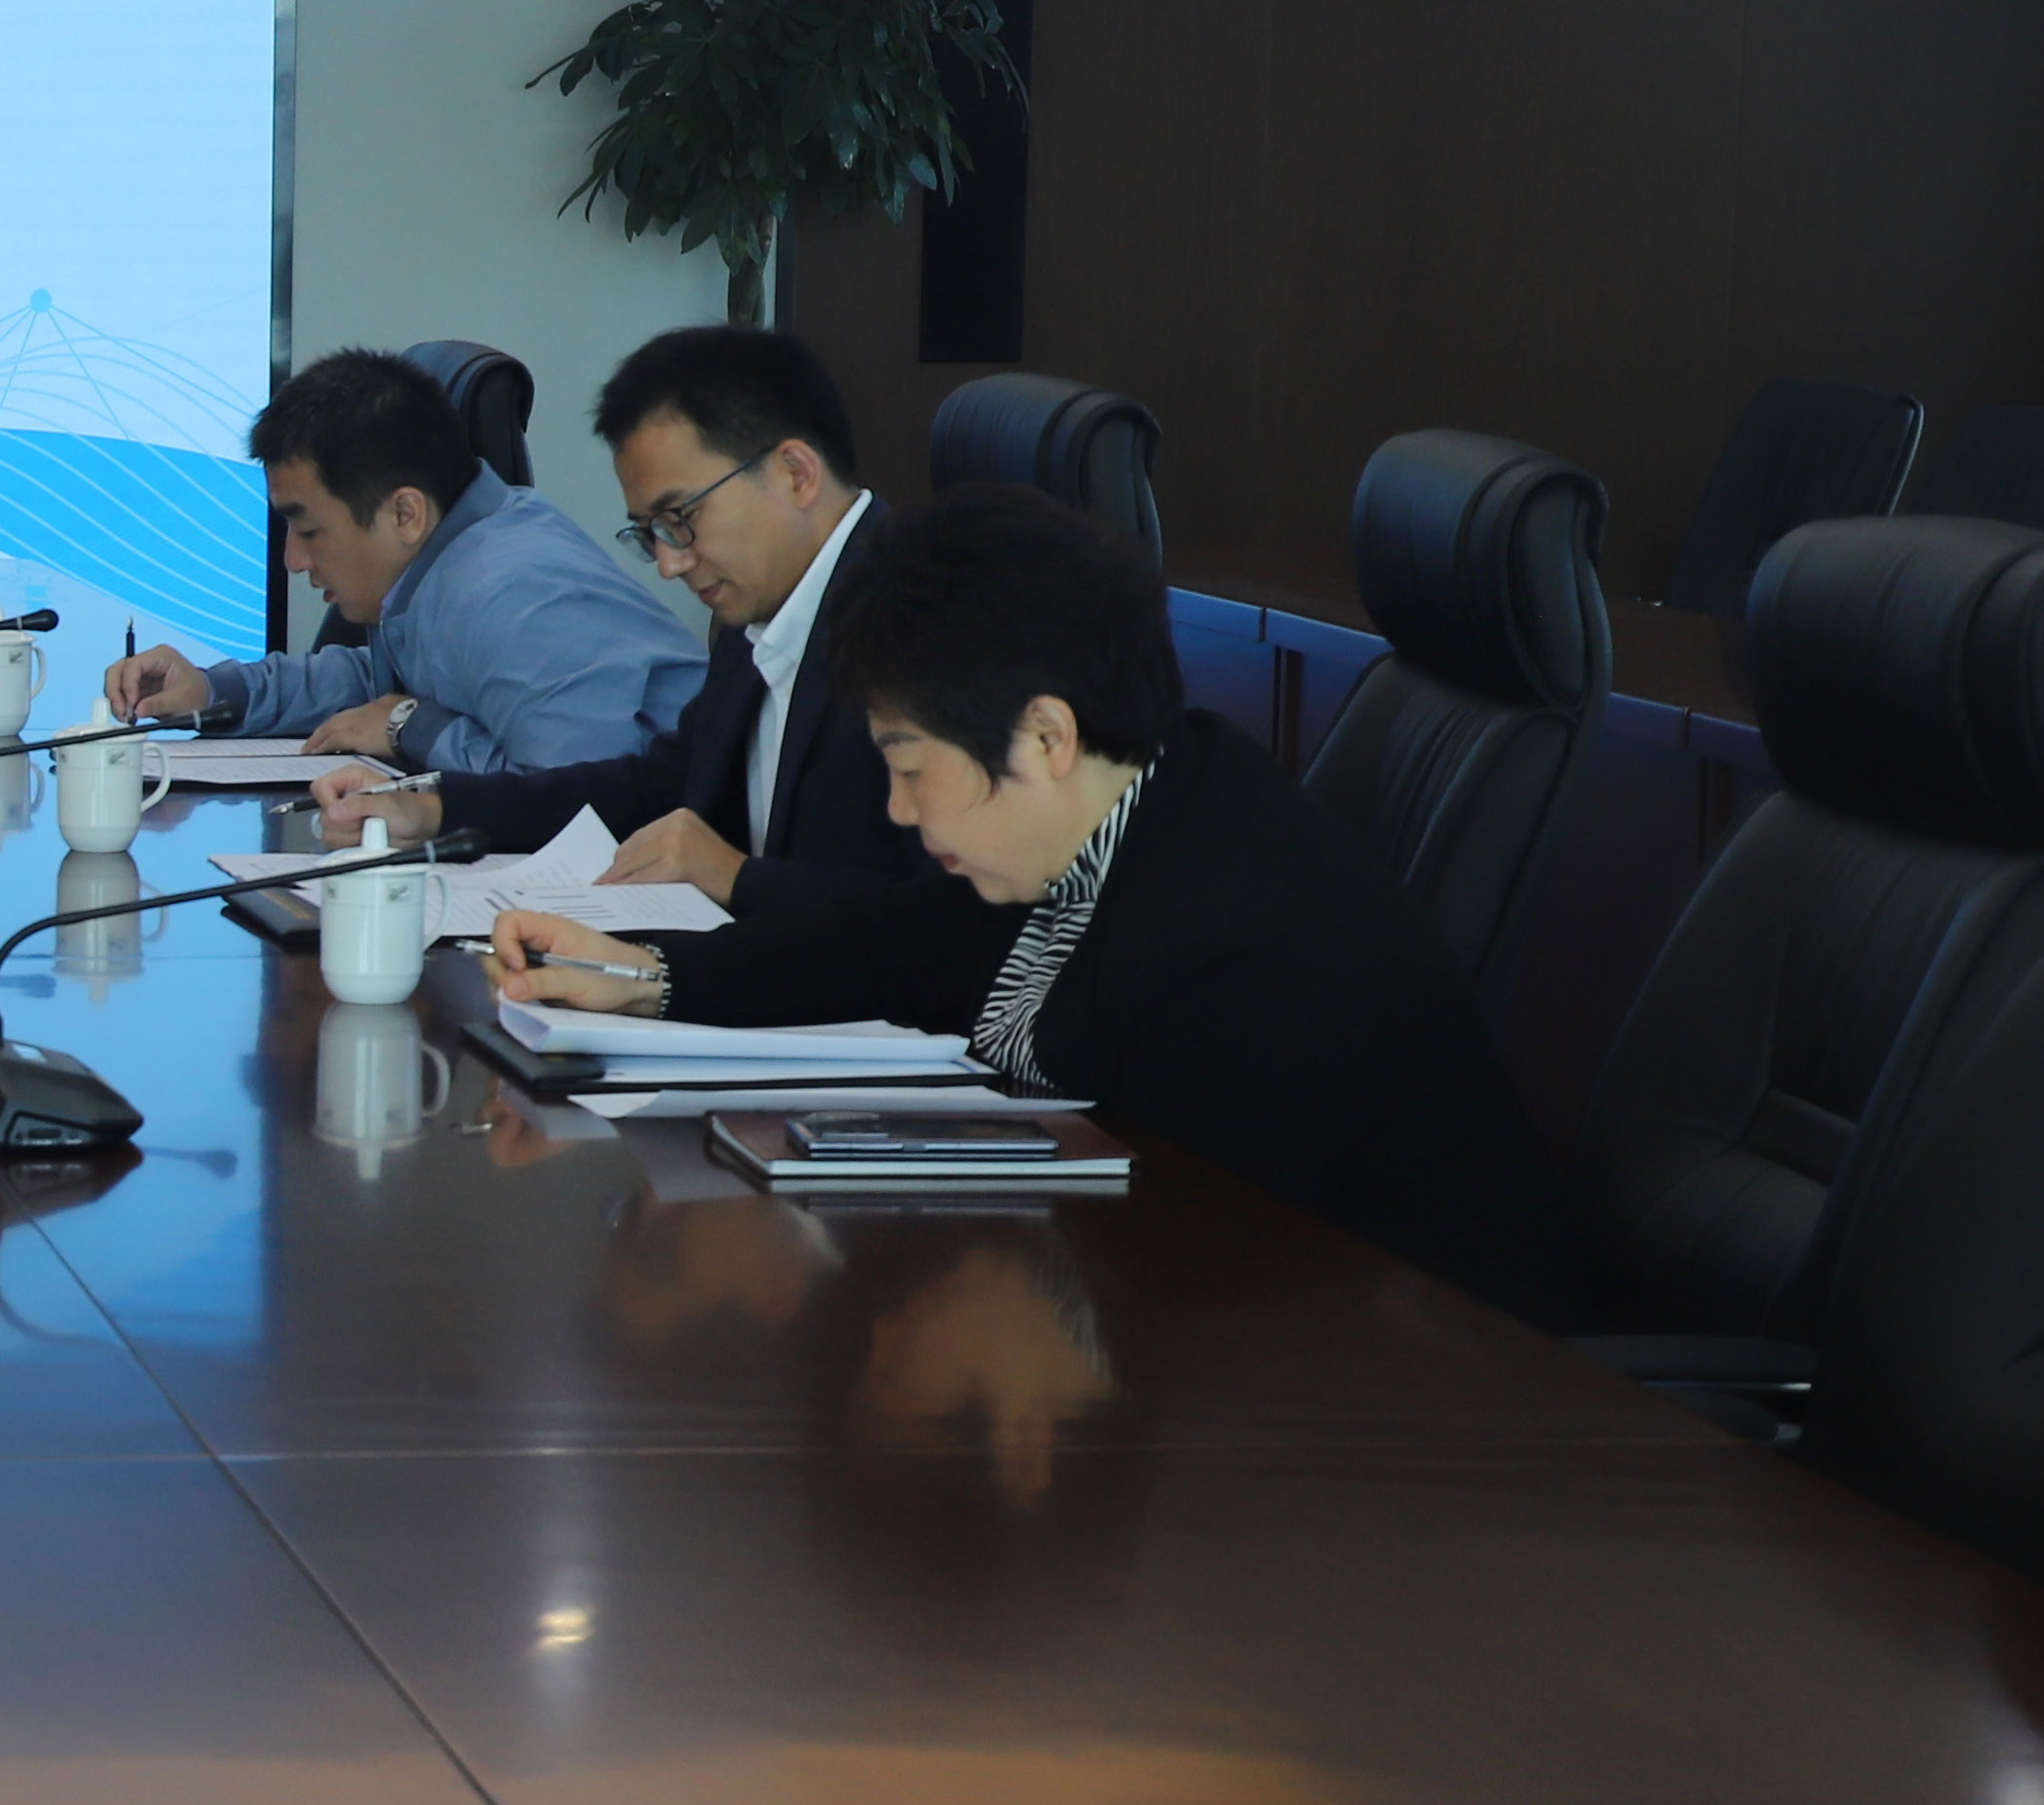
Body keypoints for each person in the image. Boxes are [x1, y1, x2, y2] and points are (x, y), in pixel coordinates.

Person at [486, 483, 1574, 1315]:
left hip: (1424, 1415)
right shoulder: (1120, 814)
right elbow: (888, 944)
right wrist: (648, 976)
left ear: (1046, 736)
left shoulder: (1236, 945)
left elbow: (1176, 1266)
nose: (899, 810)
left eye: (911, 767)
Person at [315, 325, 909, 919]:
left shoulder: (923, 624)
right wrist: (435, 808)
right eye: (650, 534)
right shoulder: (762, 611)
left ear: (796, 473)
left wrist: (736, 878)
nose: (671, 564)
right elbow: (655, 787)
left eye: (680, 518)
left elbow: (942, 919)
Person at [101, 345, 695, 774]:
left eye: (309, 530)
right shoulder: (443, 563)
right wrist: (213, 691)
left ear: (405, 513)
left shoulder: (515, 591)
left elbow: (576, 799)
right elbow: (373, 683)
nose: (293, 560)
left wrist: (409, 725)